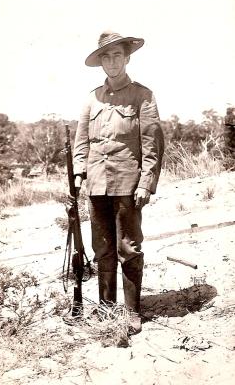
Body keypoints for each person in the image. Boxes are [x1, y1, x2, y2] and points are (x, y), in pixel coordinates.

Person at [73, 31, 164, 334]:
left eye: (117, 56)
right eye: (106, 57)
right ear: (101, 63)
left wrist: (146, 183)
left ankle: (133, 312)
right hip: (96, 185)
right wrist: (78, 173)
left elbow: (152, 146)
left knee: (129, 247)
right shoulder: (91, 98)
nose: (112, 62)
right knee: (102, 248)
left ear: (127, 59)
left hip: (128, 185)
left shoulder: (143, 96)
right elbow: (81, 142)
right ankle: (106, 308)